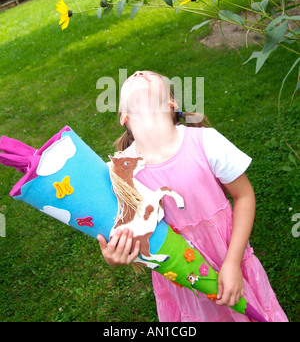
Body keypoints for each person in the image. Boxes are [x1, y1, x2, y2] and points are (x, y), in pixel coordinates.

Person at [97, 71, 288, 322]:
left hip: (230, 257)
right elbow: (129, 232)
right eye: (131, 80)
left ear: (170, 104)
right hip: (182, 279)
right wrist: (114, 257)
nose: (137, 73)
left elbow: (244, 196)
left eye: (149, 76)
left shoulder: (206, 142)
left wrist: (232, 264)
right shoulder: (122, 172)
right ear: (125, 117)